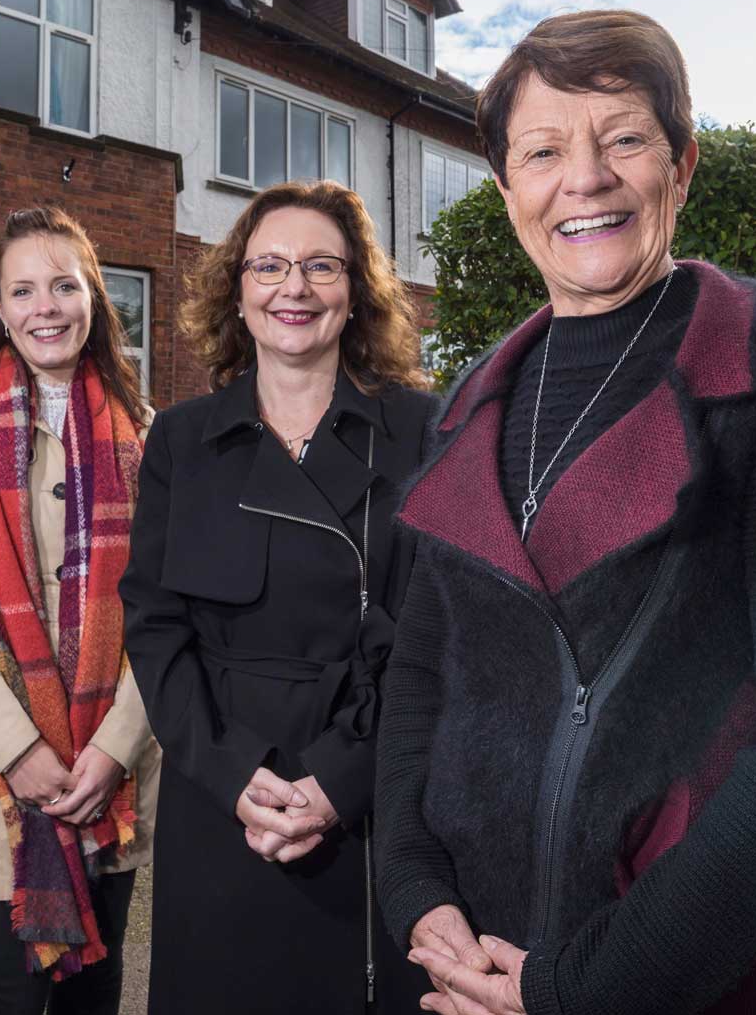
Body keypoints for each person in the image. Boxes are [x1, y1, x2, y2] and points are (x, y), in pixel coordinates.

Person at [375, 11, 756, 1015]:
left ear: (681, 165)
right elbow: (420, 672)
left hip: (674, 978)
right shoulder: (466, 410)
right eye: (542, 151)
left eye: (621, 137)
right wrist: (410, 886)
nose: (583, 178)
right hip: (471, 968)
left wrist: (591, 989)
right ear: (505, 193)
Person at [122, 181, 438, 1015]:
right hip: (224, 801)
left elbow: (435, 638)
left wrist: (338, 780)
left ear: (357, 290)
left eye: (320, 266)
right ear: (237, 287)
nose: (292, 287)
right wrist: (233, 774)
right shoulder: (181, 440)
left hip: (367, 801)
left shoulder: (421, 431)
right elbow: (155, 630)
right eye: (269, 264)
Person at [0, 207, 158, 1014]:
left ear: (93, 298)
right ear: (0, 310)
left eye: (63, 284)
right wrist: (20, 751)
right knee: (0, 999)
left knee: (93, 1001)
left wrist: (114, 748)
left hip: (102, 776)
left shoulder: (146, 432)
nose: (45, 305)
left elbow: (164, 609)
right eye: (23, 289)